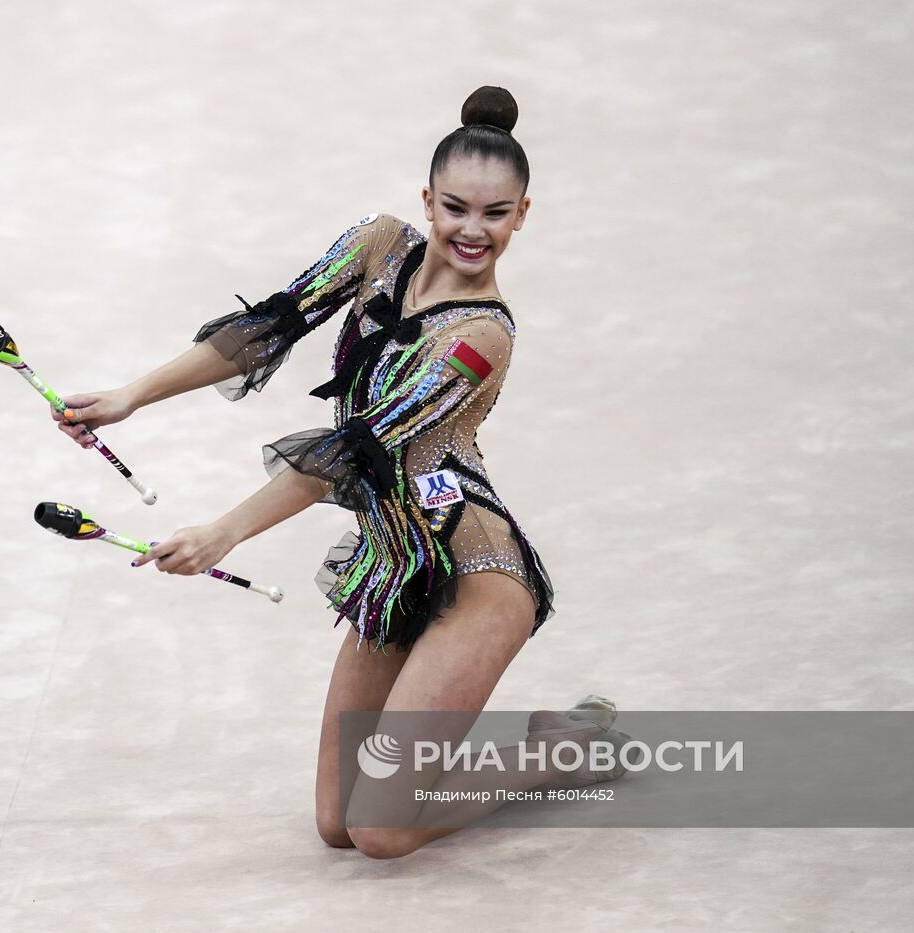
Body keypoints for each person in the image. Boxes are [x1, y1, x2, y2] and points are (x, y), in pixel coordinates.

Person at [54, 86, 627, 858]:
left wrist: (224, 532)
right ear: (427, 199)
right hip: (394, 566)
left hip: (474, 574)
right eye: (456, 206)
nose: (472, 229)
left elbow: (356, 453)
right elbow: (267, 325)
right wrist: (130, 396)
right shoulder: (377, 244)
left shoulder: (481, 335)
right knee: (336, 823)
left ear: (523, 214)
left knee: (382, 829)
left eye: (496, 214)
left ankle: (568, 749)